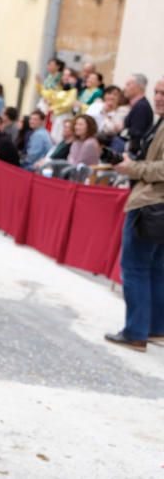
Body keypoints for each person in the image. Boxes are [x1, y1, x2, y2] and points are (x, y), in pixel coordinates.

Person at [106, 78, 164, 351]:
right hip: (153, 203)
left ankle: (136, 333)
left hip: (151, 205)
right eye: (157, 92)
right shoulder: (159, 121)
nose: (159, 97)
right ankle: (154, 329)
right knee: (155, 269)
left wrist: (132, 168)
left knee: (136, 269)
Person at [123, 74, 154, 157]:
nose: (125, 88)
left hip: (133, 154)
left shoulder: (141, 107)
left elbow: (136, 135)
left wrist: (122, 129)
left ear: (138, 87)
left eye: (128, 84)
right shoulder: (138, 105)